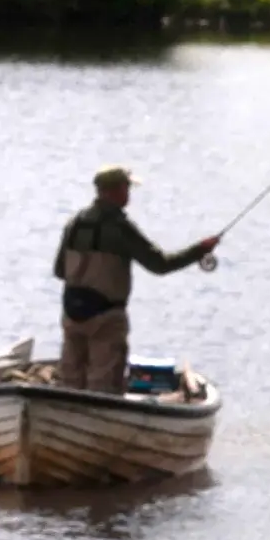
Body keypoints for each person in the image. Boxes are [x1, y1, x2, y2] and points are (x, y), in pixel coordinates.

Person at [53, 165, 221, 393]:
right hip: (106, 318)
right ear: (116, 190)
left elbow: (60, 271)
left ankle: (65, 419)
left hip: (72, 315)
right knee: (103, 385)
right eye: (127, 187)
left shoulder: (74, 224)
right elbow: (160, 265)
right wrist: (199, 250)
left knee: (70, 380)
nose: (129, 193)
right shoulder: (120, 228)